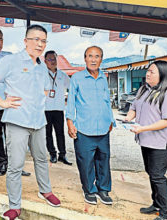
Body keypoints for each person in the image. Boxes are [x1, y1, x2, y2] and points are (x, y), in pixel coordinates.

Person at [0, 24, 61, 220]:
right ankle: (15, 206)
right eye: (36, 39)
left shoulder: (42, 66)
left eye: (43, 41)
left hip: (38, 122)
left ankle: (45, 191)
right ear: (25, 41)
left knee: (42, 158)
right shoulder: (12, 61)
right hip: (17, 121)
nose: (40, 44)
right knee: (15, 165)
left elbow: (43, 90)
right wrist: (1, 101)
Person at [124, 60, 167, 220]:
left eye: (152, 72)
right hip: (146, 140)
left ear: (163, 75)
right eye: (148, 71)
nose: (148, 74)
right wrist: (128, 118)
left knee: (157, 176)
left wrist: (142, 128)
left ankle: (165, 212)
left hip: (161, 143)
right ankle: (156, 204)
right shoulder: (144, 89)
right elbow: (134, 107)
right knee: (151, 173)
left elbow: (166, 121)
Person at [66, 46, 115, 206]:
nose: (93, 59)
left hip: (103, 128)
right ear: (85, 58)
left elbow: (107, 101)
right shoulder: (77, 78)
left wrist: (111, 120)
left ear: (101, 59)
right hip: (84, 129)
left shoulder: (103, 77)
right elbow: (71, 101)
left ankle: (103, 189)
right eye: (90, 56)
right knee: (86, 162)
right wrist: (69, 122)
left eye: (97, 56)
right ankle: (89, 190)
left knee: (103, 160)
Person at [0, 28, 31, 177]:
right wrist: (3, 77)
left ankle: (15, 165)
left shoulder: (10, 56)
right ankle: (2, 163)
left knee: (14, 136)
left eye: (0, 39)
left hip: (10, 104)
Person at [44, 50, 72, 165]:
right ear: (45, 61)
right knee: (48, 133)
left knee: (60, 132)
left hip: (59, 109)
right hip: (45, 109)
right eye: (49, 59)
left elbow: (72, 88)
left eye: (54, 59)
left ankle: (62, 154)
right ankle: (52, 154)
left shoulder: (62, 75)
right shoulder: (42, 75)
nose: (52, 61)